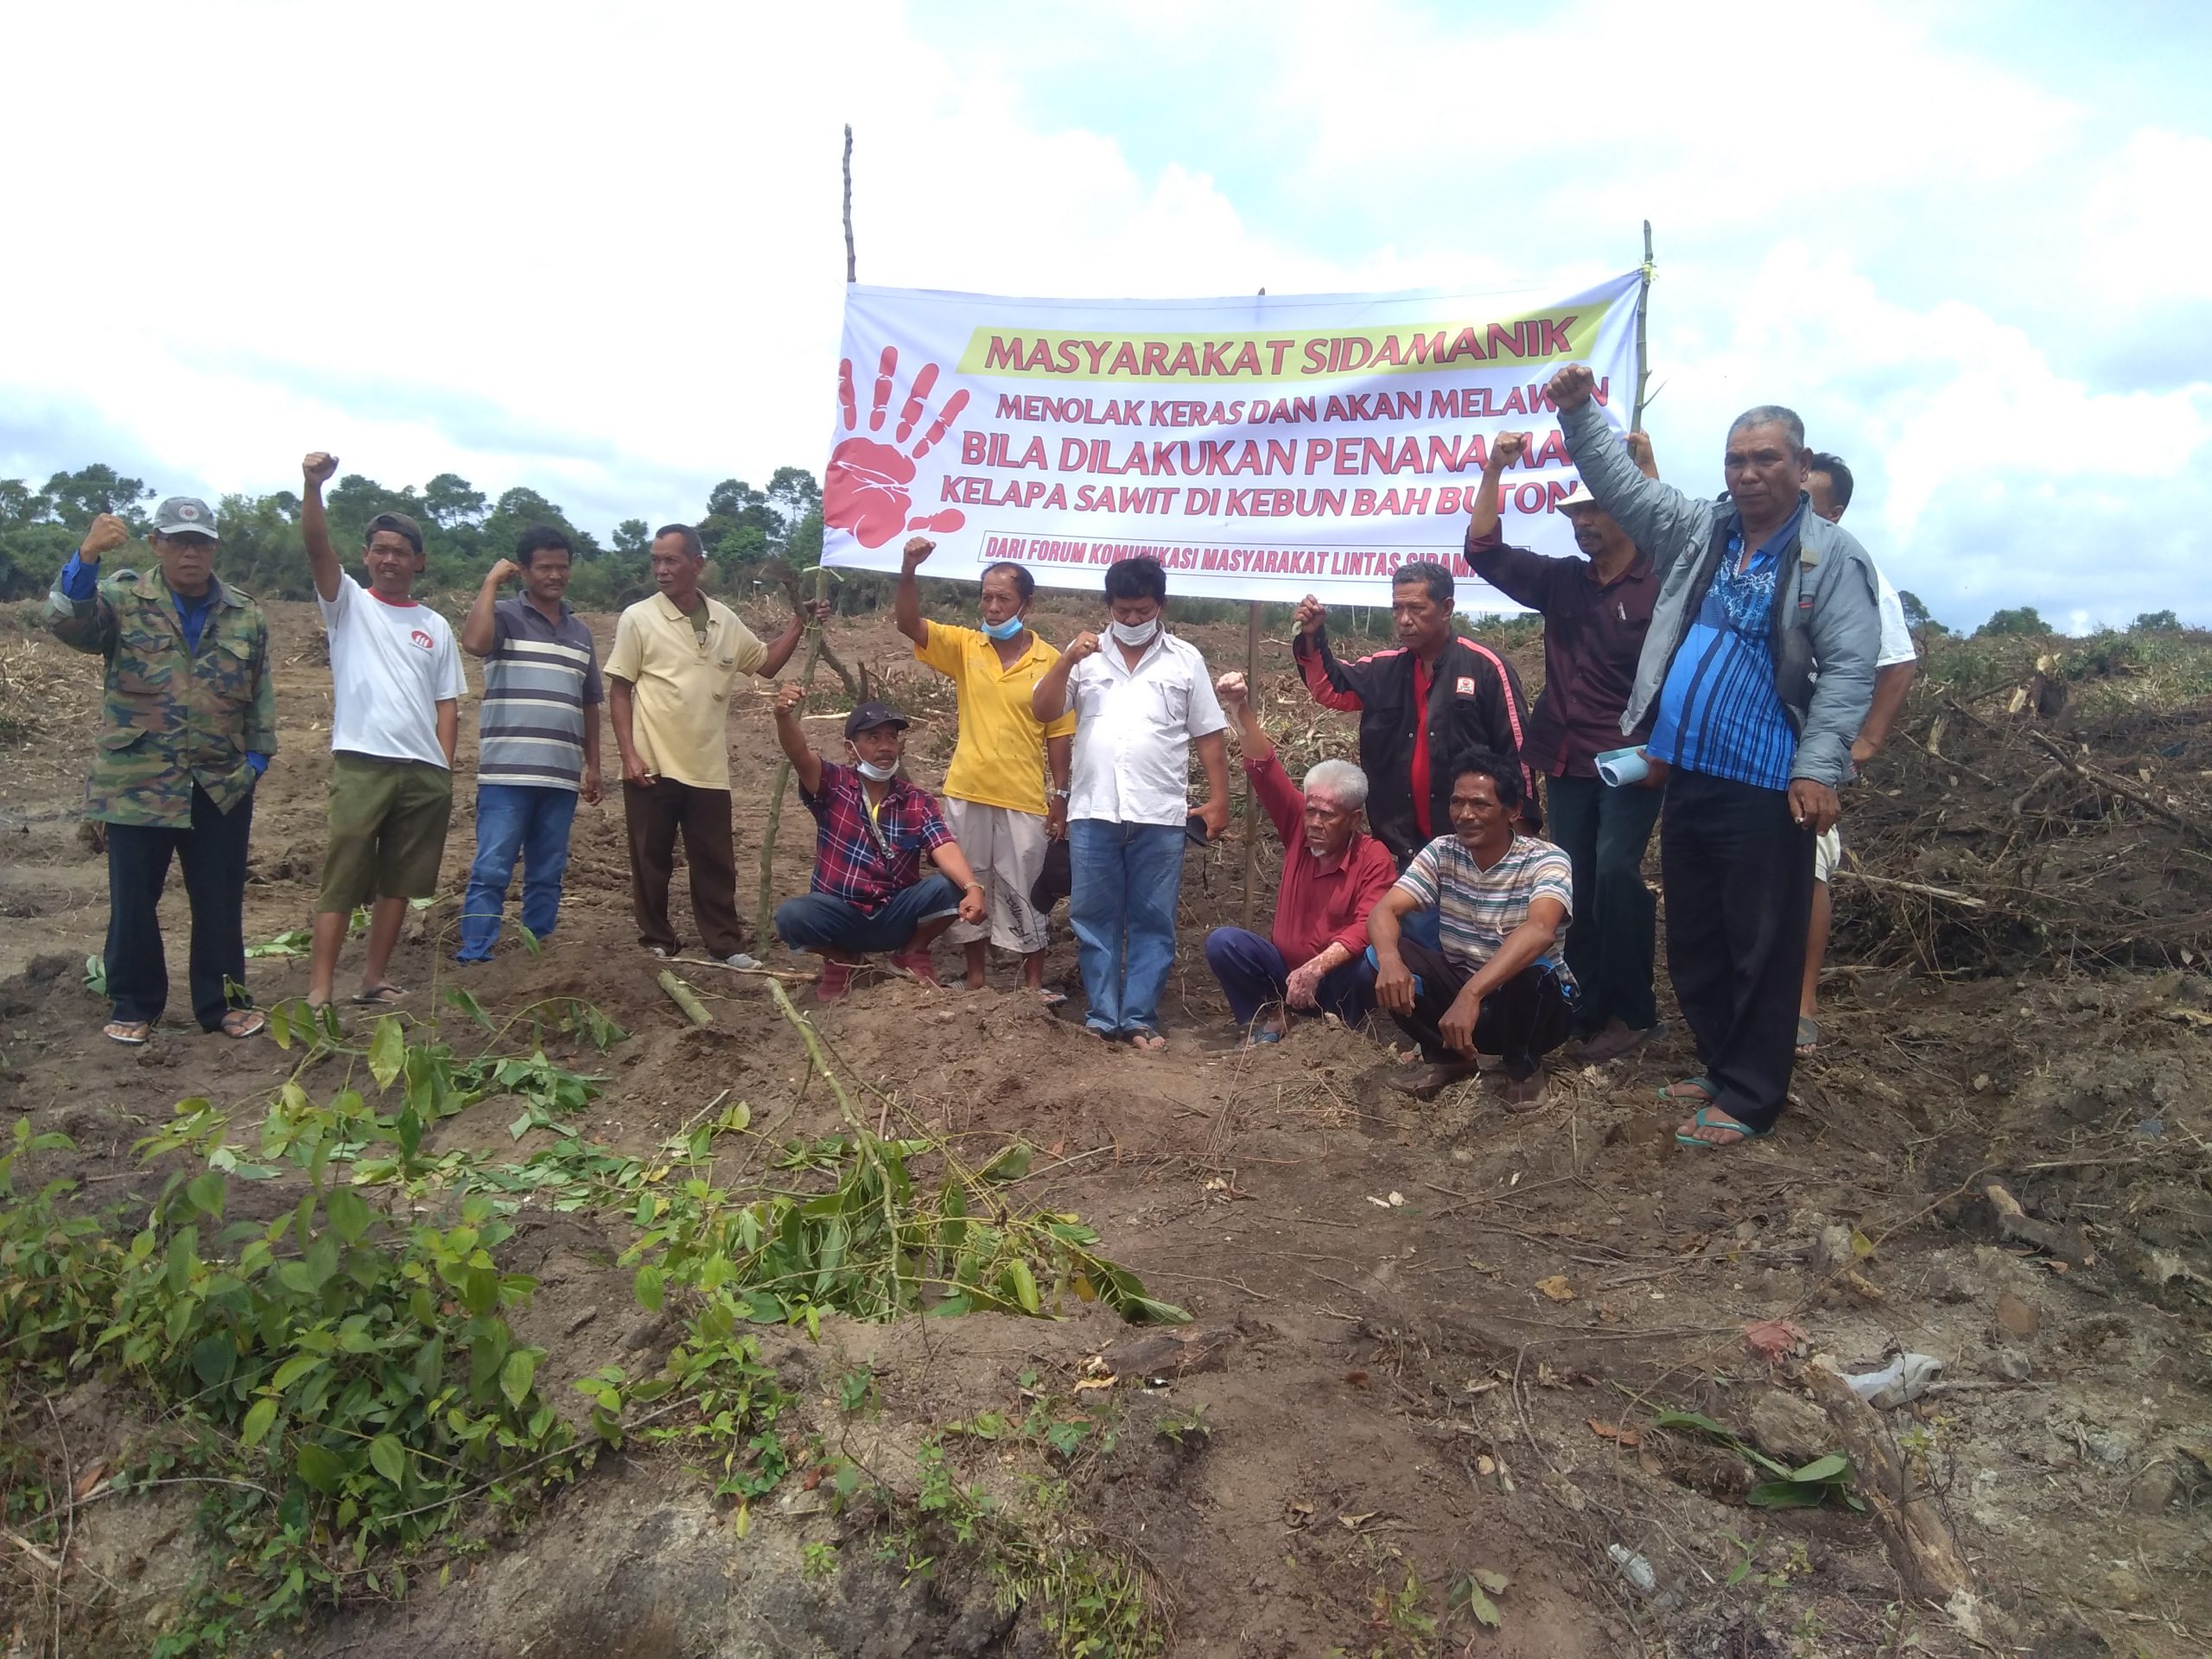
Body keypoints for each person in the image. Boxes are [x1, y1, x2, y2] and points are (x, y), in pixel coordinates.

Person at [1549, 366, 1881, 1148]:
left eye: (1766, 459)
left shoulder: (1831, 559)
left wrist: (1817, 767)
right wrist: (1577, 413)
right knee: (1698, 934)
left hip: (1769, 784)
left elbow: (1848, 669)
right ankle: (1720, 1060)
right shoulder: (1705, 531)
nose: (1748, 473)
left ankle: (1754, 1095)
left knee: (1761, 942)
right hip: (1690, 772)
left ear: (1801, 469)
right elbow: (1622, 489)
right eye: (1736, 460)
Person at [1466, 430, 1666, 1065]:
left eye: (1594, 509)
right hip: (1564, 756)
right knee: (1570, 880)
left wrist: (1649, 471)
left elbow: (1678, 538)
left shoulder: (1660, 582)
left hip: (1633, 758)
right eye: (1575, 512)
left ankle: (1633, 1013)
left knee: (1615, 873)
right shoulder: (1562, 583)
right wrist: (1495, 469)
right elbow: (1484, 551)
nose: (1582, 522)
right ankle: (1583, 1002)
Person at [47, 500, 276, 1045]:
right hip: (137, 779)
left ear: (215, 546)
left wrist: (256, 761)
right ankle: (133, 1002)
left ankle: (222, 1003)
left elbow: (260, 697)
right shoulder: (123, 599)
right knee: (134, 900)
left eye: (200, 541)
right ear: (156, 544)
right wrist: (86, 555)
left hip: (220, 782)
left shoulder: (246, 613)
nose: (190, 551)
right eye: (177, 541)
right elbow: (67, 623)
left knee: (219, 897)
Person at [1029, 556, 1232, 1050]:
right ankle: (1102, 1016)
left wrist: (1220, 798)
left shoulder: (1185, 660)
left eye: (1143, 611)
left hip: (1160, 815)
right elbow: (1043, 709)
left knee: (1152, 919)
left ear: (1160, 605)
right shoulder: (1086, 658)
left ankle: (1138, 1018)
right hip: (1094, 811)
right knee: (1093, 916)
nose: (1134, 620)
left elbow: (1208, 735)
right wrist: (1065, 660)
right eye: (1124, 611)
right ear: (1109, 607)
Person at [604, 524, 823, 967]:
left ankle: (725, 945)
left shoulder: (724, 619)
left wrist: (800, 621)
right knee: (651, 858)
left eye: (671, 560)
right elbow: (620, 689)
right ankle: (657, 939)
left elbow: (765, 664)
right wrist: (629, 753)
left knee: (714, 860)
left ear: (697, 565)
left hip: (706, 764)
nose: (661, 570)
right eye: (656, 561)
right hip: (654, 761)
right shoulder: (639, 618)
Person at [299, 454, 467, 1008]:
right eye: (381, 550)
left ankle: (373, 978)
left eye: (401, 552)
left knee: (401, 880)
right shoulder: (347, 604)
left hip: (423, 773)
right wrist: (312, 486)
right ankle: (321, 988)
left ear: (419, 561)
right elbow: (318, 549)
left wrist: (442, 768)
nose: (390, 560)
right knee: (343, 872)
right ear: (366, 556)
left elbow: (448, 704)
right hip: (362, 762)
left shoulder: (434, 625)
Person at [894, 535, 1075, 1000]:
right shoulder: (965, 646)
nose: (993, 607)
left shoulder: (1050, 661)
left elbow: (1058, 735)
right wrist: (909, 570)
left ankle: (1033, 984)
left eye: (1004, 599)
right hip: (967, 789)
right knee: (968, 883)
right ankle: (976, 978)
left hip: (1022, 796)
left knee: (1027, 889)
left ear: (1027, 604)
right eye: (987, 597)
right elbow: (909, 623)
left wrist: (1060, 796)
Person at [1289, 560, 1534, 868]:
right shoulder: (1383, 669)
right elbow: (1330, 690)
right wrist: (1312, 638)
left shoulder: (1486, 668)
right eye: (1397, 609)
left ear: (1446, 608)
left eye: (1416, 609)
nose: (1404, 620)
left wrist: (1521, 839)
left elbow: (1518, 755)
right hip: (1403, 850)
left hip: (1473, 846)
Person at [1366, 754, 1576, 1105]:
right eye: (1457, 802)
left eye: (1480, 804)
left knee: (1533, 970)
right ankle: (1449, 1056)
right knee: (1378, 955)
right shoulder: (1442, 852)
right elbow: (1384, 910)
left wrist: (1471, 994)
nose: (1465, 814)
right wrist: (1390, 961)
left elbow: (1540, 929)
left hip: (1533, 1006)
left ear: (1513, 811)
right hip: (1463, 998)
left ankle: (1523, 1066)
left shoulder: (1546, 859)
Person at [1798, 452, 1918, 1053]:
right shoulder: (1773, 564)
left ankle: (1803, 1001)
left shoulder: (1856, 570)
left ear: (1837, 510)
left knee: (1809, 865)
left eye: (1812, 497)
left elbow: (1897, 662)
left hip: (1815, 748)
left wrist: (1864, 741)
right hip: (1761, 741)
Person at [1203, 671, 1395, 1045]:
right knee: (1224, 942)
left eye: (1328, 815)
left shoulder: (1373, 857)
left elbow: (1367, 926)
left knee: (1368, 966)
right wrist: (1238, 708)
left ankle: (1338, 1030)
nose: (1315, 823)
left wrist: (1318, 966)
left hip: (1335, 974)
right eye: (1311, 811)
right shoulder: (1297, 827)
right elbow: (1265, 770)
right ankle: (1276, 1014)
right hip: (1285, 971)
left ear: (1354, 819)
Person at [770, 687, 988, 1001]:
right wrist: (783, 717)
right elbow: (799, 753)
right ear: (850, 748)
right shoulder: (833, 785)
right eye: (873, 738)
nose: (885, 747)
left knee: (952, 886)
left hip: (896, 913)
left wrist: (972, 886)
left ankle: (909, 953)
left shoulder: (917, 800)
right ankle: (843, 960)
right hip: (841, 914)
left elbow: (943, 844)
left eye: (891, 737)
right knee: (792, 916)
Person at [454, 528, 605, 962]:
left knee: (547, 872)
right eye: (545, 567)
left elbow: (590, 702)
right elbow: (475, 643)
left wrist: (593, 767)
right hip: (507, 771)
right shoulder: (502, 616)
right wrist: (489, 584)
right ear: (524, 570)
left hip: (560, 774)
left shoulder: (580, 633)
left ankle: (534, 954)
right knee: (492, 868)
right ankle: (476, 951)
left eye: (562, 566)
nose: (555, 575)